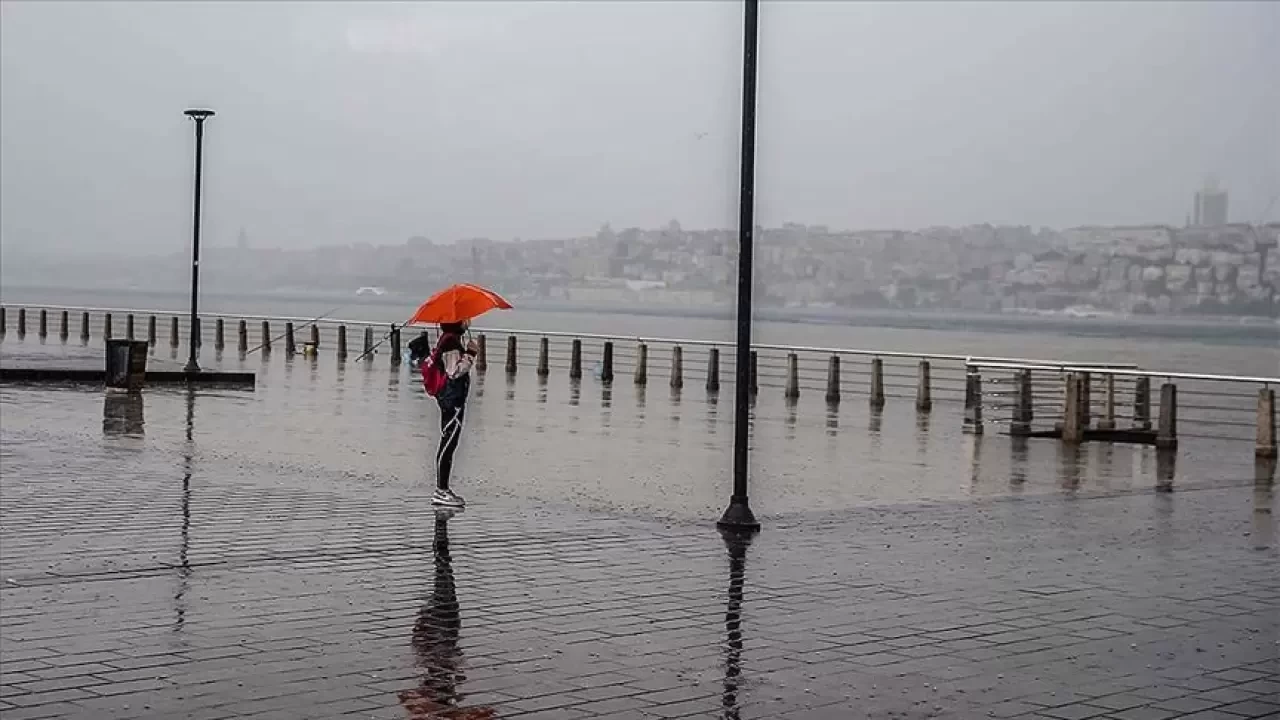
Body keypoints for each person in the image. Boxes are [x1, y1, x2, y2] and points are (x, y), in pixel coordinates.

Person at [424, 321, 478, 507]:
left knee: (449, 440)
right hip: (451, 398)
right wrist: (470, 354)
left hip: (450, 397)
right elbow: (455, 371)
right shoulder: (451, 343)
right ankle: (441, 490)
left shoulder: (449, 340)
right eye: (464, 319)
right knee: (449, 441)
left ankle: (443, 489)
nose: (467, 322)